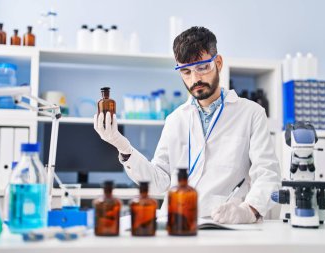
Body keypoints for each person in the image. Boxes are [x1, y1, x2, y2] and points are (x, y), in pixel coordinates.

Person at [94, 26, 281, 224]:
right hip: (174, 223)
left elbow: (268, 175)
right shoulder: (175, 119)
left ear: (218, 62)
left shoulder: (251, 113)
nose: (195, 79)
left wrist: (248, 211)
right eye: (186, 71)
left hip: (224, 224)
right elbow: (159, 181)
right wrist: (122, 146)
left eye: (202, 67)